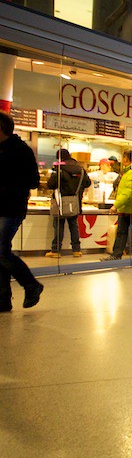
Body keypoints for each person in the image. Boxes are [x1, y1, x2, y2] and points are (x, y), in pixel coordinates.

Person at [0, 110, 44, 311]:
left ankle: (31, 284)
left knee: (1, 251)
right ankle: (3, 299)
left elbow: (34, 181)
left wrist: (10, 186)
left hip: (11, 208)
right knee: (1, 252)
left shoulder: (21, 150)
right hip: (3, 207)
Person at [45, 148, 91, 258]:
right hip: (75, 202)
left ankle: (56, 251)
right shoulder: (80, 169)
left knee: (59, 226)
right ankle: (76, 250)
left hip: (60, 202)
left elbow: (51, 184)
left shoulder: (59, 169)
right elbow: (87, 183)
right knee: (73, 225)